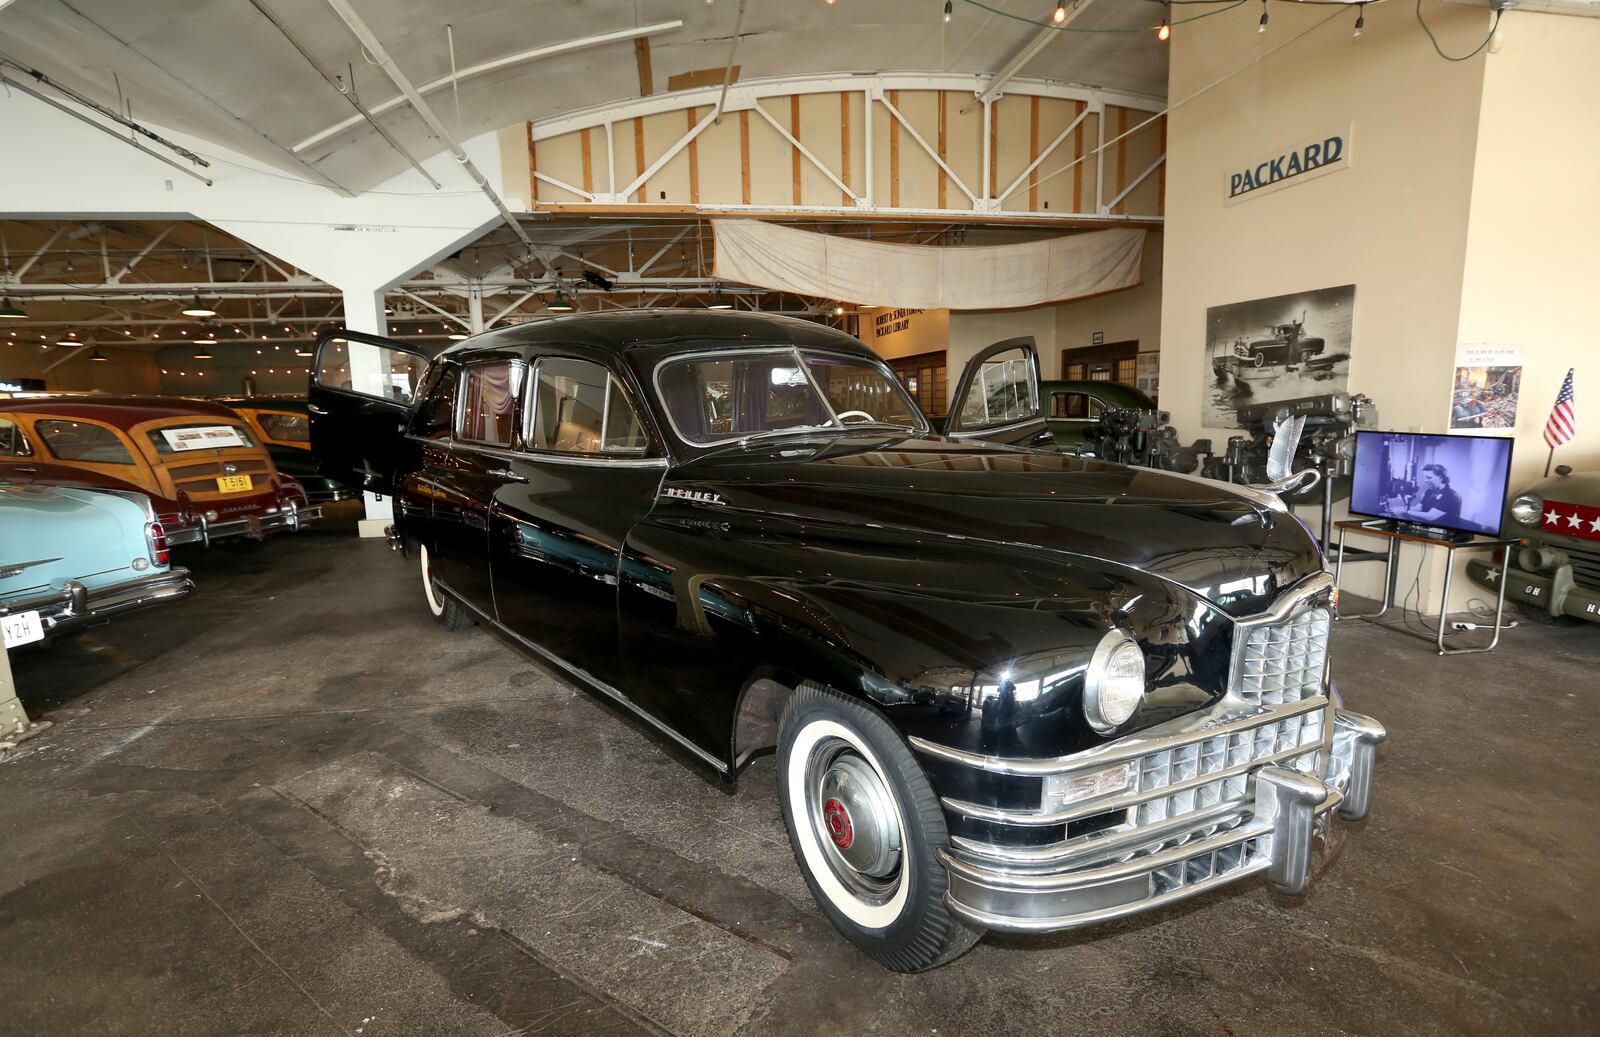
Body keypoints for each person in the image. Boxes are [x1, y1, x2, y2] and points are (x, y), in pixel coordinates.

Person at [1387, 463, 1462, 528]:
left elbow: (1431, 517)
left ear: (1441, 477)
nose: (1425, 480)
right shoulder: (1429, 492)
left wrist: (1403, 512)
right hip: (1428, 527)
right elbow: (1418, 508)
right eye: (1425, 477)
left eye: (1429, 477)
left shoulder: (1451, 496)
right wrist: (1393, 509)